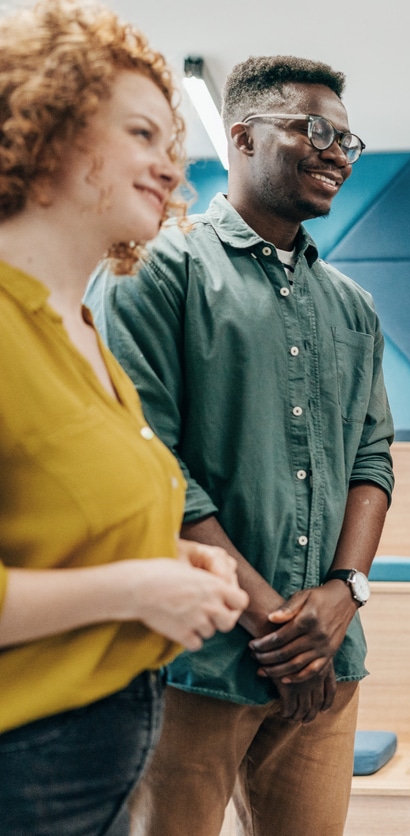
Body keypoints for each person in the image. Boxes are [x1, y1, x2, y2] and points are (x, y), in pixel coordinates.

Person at [85, 55, 394, 836]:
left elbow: (373, 458)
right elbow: (147, 462)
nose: (335, 152)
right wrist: (273, 621)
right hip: (195, 662)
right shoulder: (156, 267)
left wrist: (341, 597)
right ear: (242, 138)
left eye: (348, 142)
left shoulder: (353, 306)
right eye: (314, 129)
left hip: (325, 664)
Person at [0, 1, 249, 832]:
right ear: (46, 126)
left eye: (172, 145)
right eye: (142, 135)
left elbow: (51, 523)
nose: (172, 171)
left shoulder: (81, 329)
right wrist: (140, 587)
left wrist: (169, 557)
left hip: (106, 757)